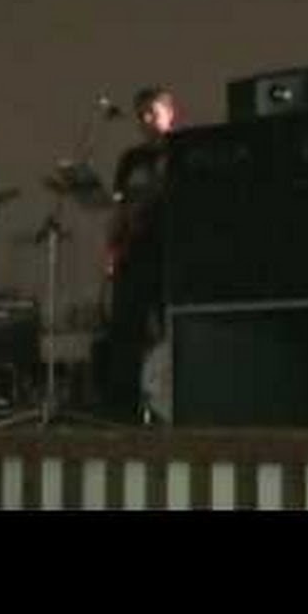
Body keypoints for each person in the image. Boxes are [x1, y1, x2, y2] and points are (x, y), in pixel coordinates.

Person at [101, 86, 176, 423]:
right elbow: (119, 206)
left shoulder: (180, 151)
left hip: (166, 252)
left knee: (168, 328)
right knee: (124, 329)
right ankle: (123, 406)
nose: (146, 120)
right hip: (132, 252)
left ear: (170, 114)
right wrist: (112, 244)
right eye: (141, 114)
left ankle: (168, 402)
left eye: (152, 113)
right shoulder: (131, 159)